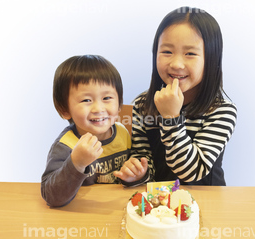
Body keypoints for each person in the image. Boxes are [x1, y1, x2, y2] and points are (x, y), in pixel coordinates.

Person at [114, 7, 237, 186]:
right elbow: (142, 158)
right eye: (167, 52)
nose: (177, 63)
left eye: (190, 54)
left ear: (211, 59)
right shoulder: (142, 105)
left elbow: (191, 172)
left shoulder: (221, 111)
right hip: (159, 205)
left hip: (207, 204)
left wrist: (171, 118)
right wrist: (137, 173)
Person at [41, 55, 147, 207]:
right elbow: (52, 196)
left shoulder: (124, 133)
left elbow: (127, 183)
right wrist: (76, 162)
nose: (98, 109)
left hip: (118, 209)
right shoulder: (66, 145)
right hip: (82, 217)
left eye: (107, 98)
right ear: (65, 110)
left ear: (118, 106)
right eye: (86, 100)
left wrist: (135, 176)